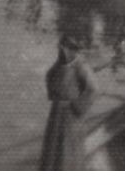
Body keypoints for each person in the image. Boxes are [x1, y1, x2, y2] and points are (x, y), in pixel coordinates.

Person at [39, 35, 96, 170]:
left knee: (68, 147)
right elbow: (50, 77)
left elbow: (92, 90)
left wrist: (77, 106)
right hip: (57, 112)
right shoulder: (59, 64)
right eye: (61, 47)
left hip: (72, 114)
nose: (62, 51)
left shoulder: (81, 67)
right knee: (53, 146)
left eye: (66, 48)